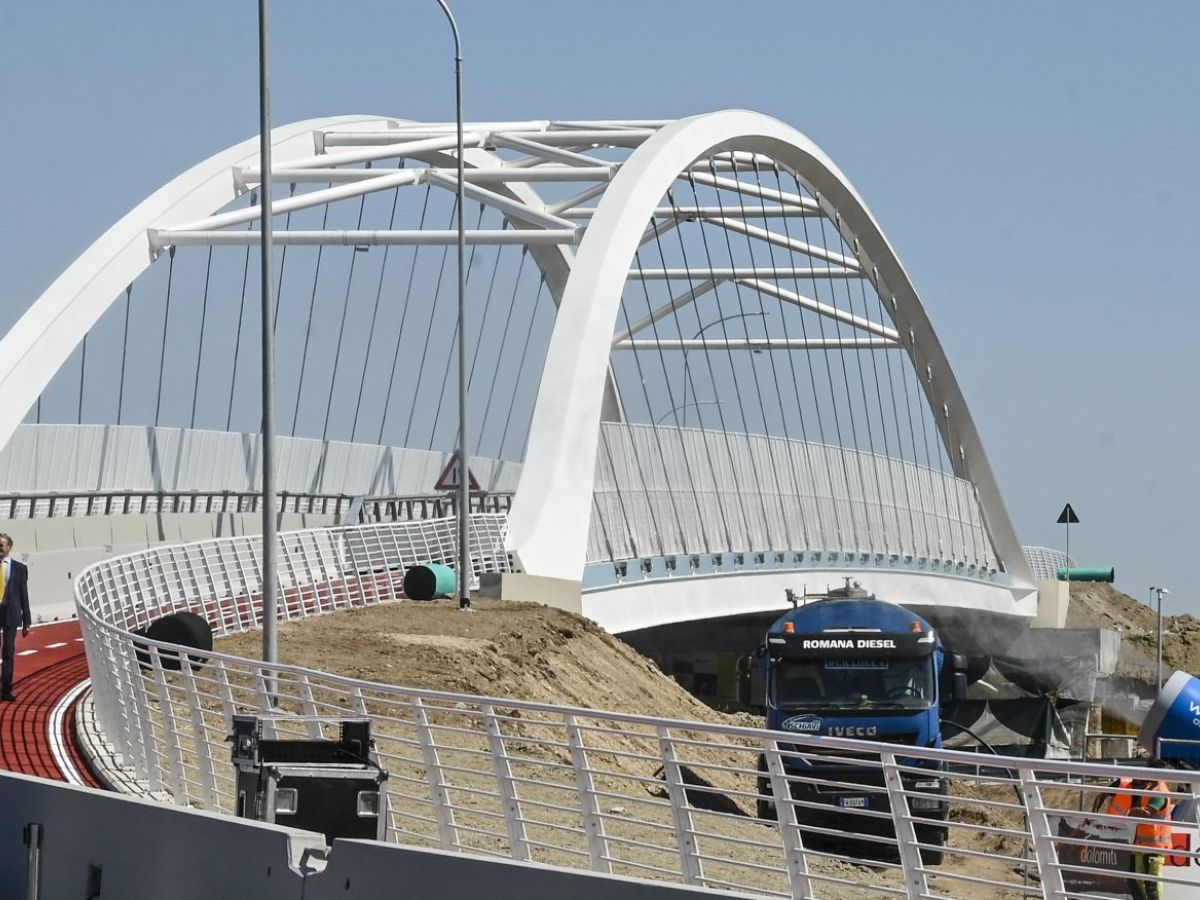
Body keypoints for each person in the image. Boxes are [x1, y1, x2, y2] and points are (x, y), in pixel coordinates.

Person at [1103, 759, 1175, 900]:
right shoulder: (1148, 789)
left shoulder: (1158, 792)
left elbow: (1148, 811)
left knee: (1151, 885)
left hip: (1154, 848)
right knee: (1135, 881)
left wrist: (1133, 811)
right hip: (1140, 846)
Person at [0, 533, 31, 702]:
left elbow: (23, 595)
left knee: (8, 651)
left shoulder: (19, 568)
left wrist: (27, 621)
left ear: (9, 547)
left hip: (11, 613)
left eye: (1, 545)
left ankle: (6, 689)